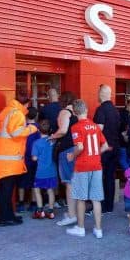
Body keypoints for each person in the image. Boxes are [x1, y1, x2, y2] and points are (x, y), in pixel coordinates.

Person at [0, 90, 39, 226]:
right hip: (9, 159)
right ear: (27, 103)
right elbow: (16, 133)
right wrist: (32, 128)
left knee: (3, 189)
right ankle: (6, 218)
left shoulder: (5, 111)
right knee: (7, 190)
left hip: (1, 159)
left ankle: (6, 215)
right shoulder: (17, 114)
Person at [65, 100, 109, 238]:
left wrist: (72, 155)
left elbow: (80, 147)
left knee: (81, 198)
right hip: (96, 165)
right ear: (86, 110)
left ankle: (81, 228)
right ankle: (98, 229)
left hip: (82, 166)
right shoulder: (95, 126)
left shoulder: (76, 127)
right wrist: (96, 154)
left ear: (74, 112)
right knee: (96, 199)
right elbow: (105, 145)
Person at [51, 91, 79, 227]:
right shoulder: (76, 113)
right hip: (76, 149)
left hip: (66, 150)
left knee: (69, 183)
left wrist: (52, 136)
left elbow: (62, 130)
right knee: (75, 181)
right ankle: (75, 213)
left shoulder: (64, 112)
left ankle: (72, 215)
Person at [93, 84, 121, 213]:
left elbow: (99, 128)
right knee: (110, 176)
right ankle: (109, 206)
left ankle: (102, 206)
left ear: (101, 94)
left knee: (101, 177)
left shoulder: (101, 109)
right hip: (115, 147)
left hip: (104, 148)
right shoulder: (115, 110)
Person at [31, 119, 58, 219]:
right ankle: (51, 212)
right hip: (52, 171)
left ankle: (40, 210)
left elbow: (34, 158)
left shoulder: (36, 143)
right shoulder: (53, 141)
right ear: (50, 129)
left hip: (41, 172)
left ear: (38, 130)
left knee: (37, 190)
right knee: (50, 191)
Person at [17, 106, 40, 213]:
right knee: (34, 182)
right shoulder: (38, 128)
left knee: (21, 182)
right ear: (36, 116)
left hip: (22, 158)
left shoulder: (22, 128)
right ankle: (33, 203)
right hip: (34, 159)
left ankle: (21, 203)